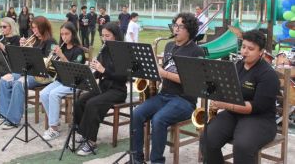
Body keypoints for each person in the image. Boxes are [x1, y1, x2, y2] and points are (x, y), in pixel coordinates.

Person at [132, 12, 205, 164]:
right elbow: (163, 72)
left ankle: (157, 161)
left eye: (180, 26)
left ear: (189, 30)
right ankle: (136, 159)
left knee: (159, 119)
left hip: (184, 101)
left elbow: (190, 81)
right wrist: (153, 73)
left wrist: (163, 73)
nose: (175, 29)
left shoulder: (196, 51)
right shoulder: (169, 46)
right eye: (175, 25)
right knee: (136, 113)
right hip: (164, 95)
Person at [201, 30, 280, 164]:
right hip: (234, 114)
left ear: (261, 52)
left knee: (242, 146)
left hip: (260, 119)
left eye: (251, 49)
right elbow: (227, 89)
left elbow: (255, 107)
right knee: (207, 138)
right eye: (243, 47)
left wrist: (224, 105)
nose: (245, 52)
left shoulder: (268, 75)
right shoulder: (237, 66)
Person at [74, 22, 126, 156]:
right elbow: (99, 73)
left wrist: (103, 70)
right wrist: (92, 71)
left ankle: (91, 142)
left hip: (117, 90)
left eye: (107, 36)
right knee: (80, 101)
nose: (104, 39)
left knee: (93, 104)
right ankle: (82, 133)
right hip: (104, 87)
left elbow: (123, 77)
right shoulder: (104, 50)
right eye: (102, 36)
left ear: (116, 36)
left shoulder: (122, 52)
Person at [0, 16, 57, 129]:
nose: (33, 31)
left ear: (43, 28)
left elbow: (47, 62)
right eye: (32, 28)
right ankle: (3, 114)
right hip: (30, 71)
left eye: (36, 28)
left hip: (42, 75)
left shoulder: (51, 41)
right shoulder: (35, 40)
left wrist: (30, 50)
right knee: (4, 79)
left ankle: (13, 120)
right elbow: (24, 58)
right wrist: (23, 47)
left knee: (19, 83)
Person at [40, 22, 86, 141]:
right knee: (43, 93)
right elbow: (53, 69)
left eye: (67, 34)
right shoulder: (62, 48)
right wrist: (52, 58)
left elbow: (74, 71)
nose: (64, 37)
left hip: (74, 81)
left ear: (73, 34)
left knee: (54, 94)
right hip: (61, 80)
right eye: (62, 34)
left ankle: (53, 128)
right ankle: (55, 121)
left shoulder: (78, 51)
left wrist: (61, 56)